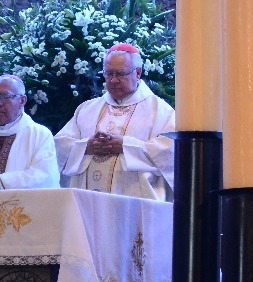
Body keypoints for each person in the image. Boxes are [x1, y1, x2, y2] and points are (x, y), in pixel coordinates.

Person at [54, 43, 175, 201]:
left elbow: (170, 152)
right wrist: (86, 146)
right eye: (108, 73)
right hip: (86, 201)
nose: (113, 80)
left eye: (121, 74)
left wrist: (125, 146)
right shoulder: (87, 109)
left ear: (138, 73)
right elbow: (59, 147)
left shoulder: (159, 111)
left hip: (135, 204)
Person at [0, 75, 59, 190]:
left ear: (22, 101)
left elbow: (44, 178)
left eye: (5, 96)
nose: (0, 103)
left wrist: (3, 182)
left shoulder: (40, 135)